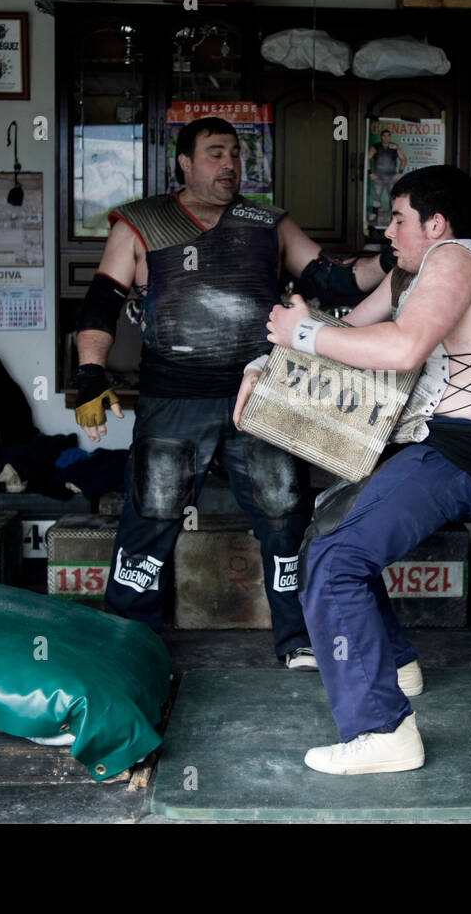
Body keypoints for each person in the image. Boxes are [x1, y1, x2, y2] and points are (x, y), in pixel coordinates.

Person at [234, 165, 471, 773]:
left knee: (336, 558)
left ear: (437, 223)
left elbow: (400, 348)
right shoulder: (418, 273)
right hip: (437, 444)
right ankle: (395, 664)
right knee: (330, 528)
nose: (388, 231)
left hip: (461, 451)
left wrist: (305, 332)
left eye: (399, 219)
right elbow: (347, 332)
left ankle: (383, 731)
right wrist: (267, 363)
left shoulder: (455, 259)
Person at [73, 117, 393, 668]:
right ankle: (127, 641)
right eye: (215, 153)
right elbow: (100, 304)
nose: (230, 165)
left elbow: (332, 280)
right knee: (150, 515)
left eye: (236, 155)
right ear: (185, 163)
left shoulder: (266, 221)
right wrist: (89, 374)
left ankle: (298, 640)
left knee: (285, 516)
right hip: (173, 401)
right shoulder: (142, 224)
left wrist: (391, 258)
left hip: (263, 395)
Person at [366, 129, 407, 228]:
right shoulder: (376, 147)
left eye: (388, 135)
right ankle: (374, 213)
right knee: (377, 197)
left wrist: (400, 172)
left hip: (391, 176)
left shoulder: (394, 146)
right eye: (384, 135)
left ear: (390, 136)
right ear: (381, 137)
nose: (386, 137)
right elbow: (367, 158)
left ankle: (393, 216)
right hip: (379, 176)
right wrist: (370, 172)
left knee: (393, 198)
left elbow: (404, 159)